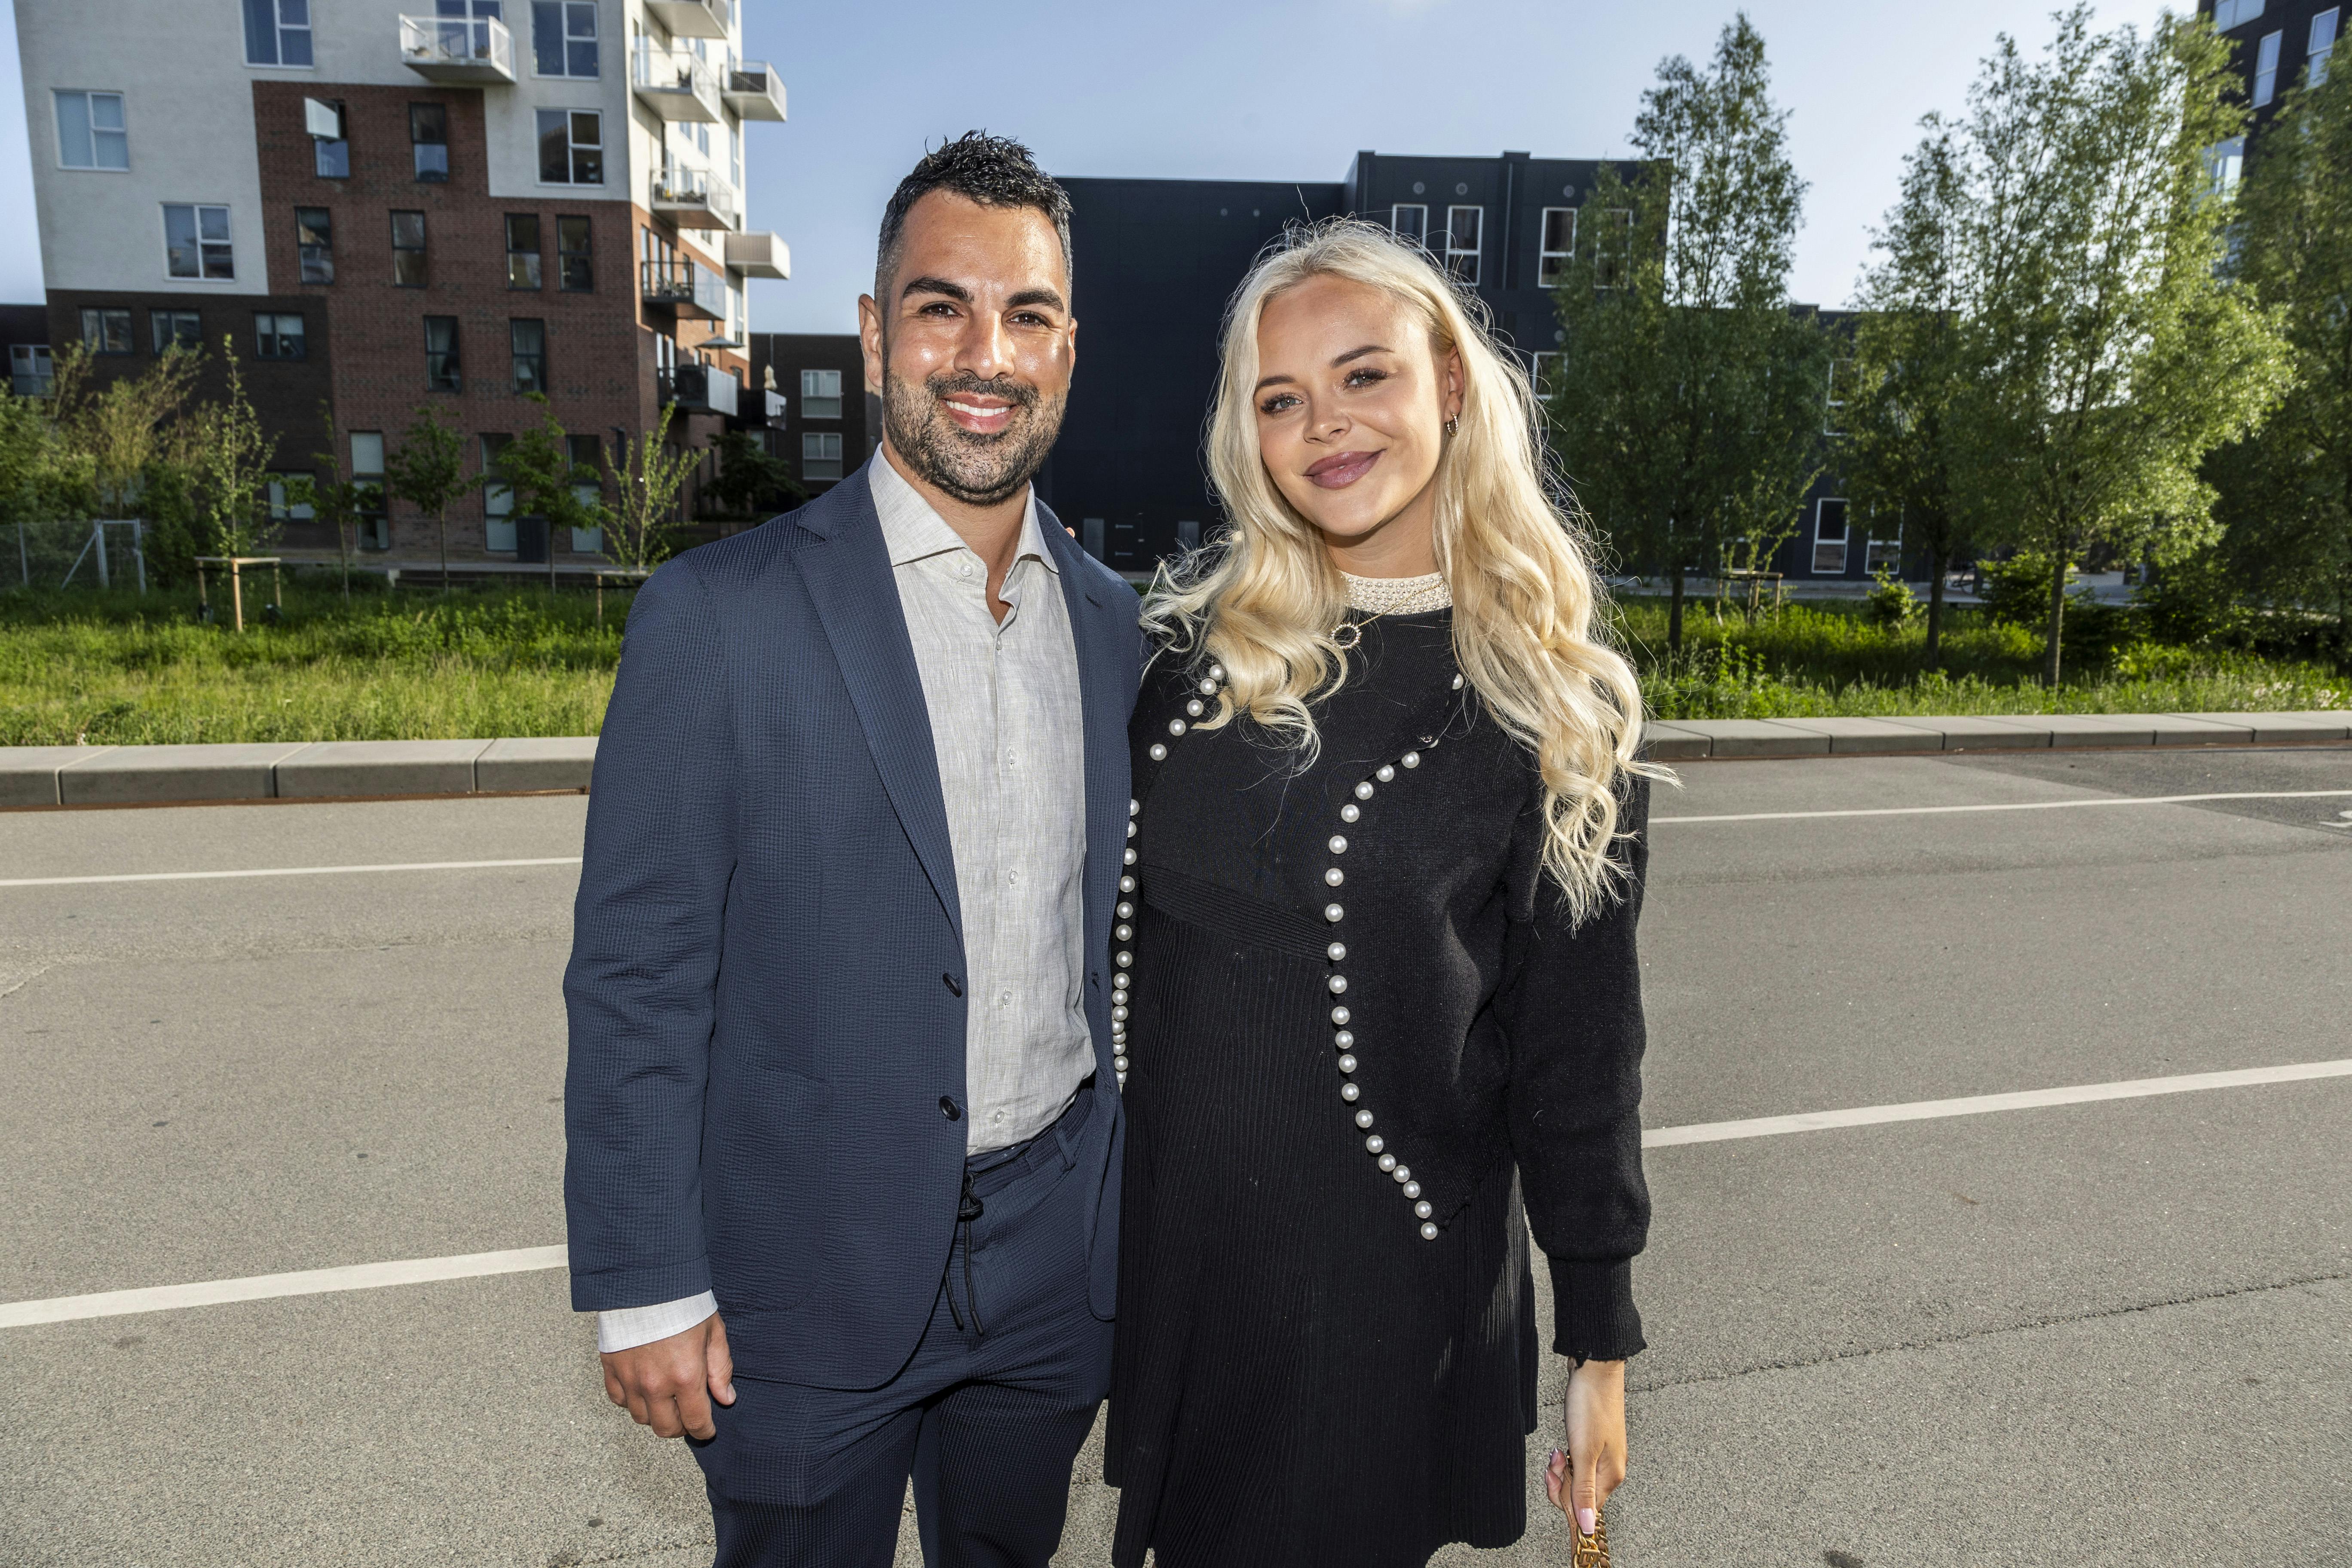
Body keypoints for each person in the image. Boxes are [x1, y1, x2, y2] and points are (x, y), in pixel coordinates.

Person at [564, 133, 1140, 1568]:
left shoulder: (1122, 628)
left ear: (1070, 350)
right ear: (878, 332)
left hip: (1054, 1267)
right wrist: (646, 1280)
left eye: (1028, 317)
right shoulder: (717, 617)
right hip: (796, 1287)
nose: (984, 356)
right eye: (943, 307)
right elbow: (638, 970)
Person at [1103, 218, 1657, 1568]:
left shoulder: (1549, 711)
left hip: (1381, 1297)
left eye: (1365, 376)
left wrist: (1599, 1342)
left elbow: (1578, 1054)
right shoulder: (1188, 663)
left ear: (1452, 384)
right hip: (1186, 1272)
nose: (1325, 425)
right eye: (1279, 398)